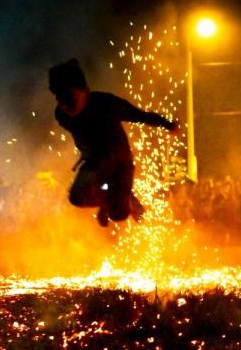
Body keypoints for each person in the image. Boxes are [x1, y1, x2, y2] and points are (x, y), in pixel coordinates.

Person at [49, 59, 178, 226]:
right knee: (76, 198)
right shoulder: (62, 115)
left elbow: (140, 116)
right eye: (60, 99)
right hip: (94, 163)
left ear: (84, 90)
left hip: (120, 164)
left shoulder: (107, 105)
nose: (66, 105)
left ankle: (122, 200)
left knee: (118, 214)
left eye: (70, 98)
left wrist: (167, 124)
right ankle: (110, 199)